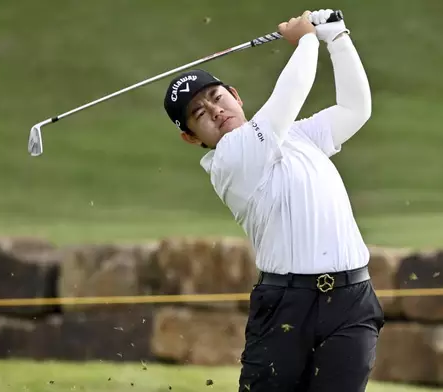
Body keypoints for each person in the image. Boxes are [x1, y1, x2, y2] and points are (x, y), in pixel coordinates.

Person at [163, 9, 384, 392]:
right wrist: (306, 39)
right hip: (286, 304)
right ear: (191, 137)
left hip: (351, 300)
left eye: (217, 97)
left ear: (235, 96)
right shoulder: (231, 159)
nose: (215, 111)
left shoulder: (299, 136)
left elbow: (355, 110)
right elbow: (289, 97)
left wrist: (337, 37)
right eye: (199, 113)